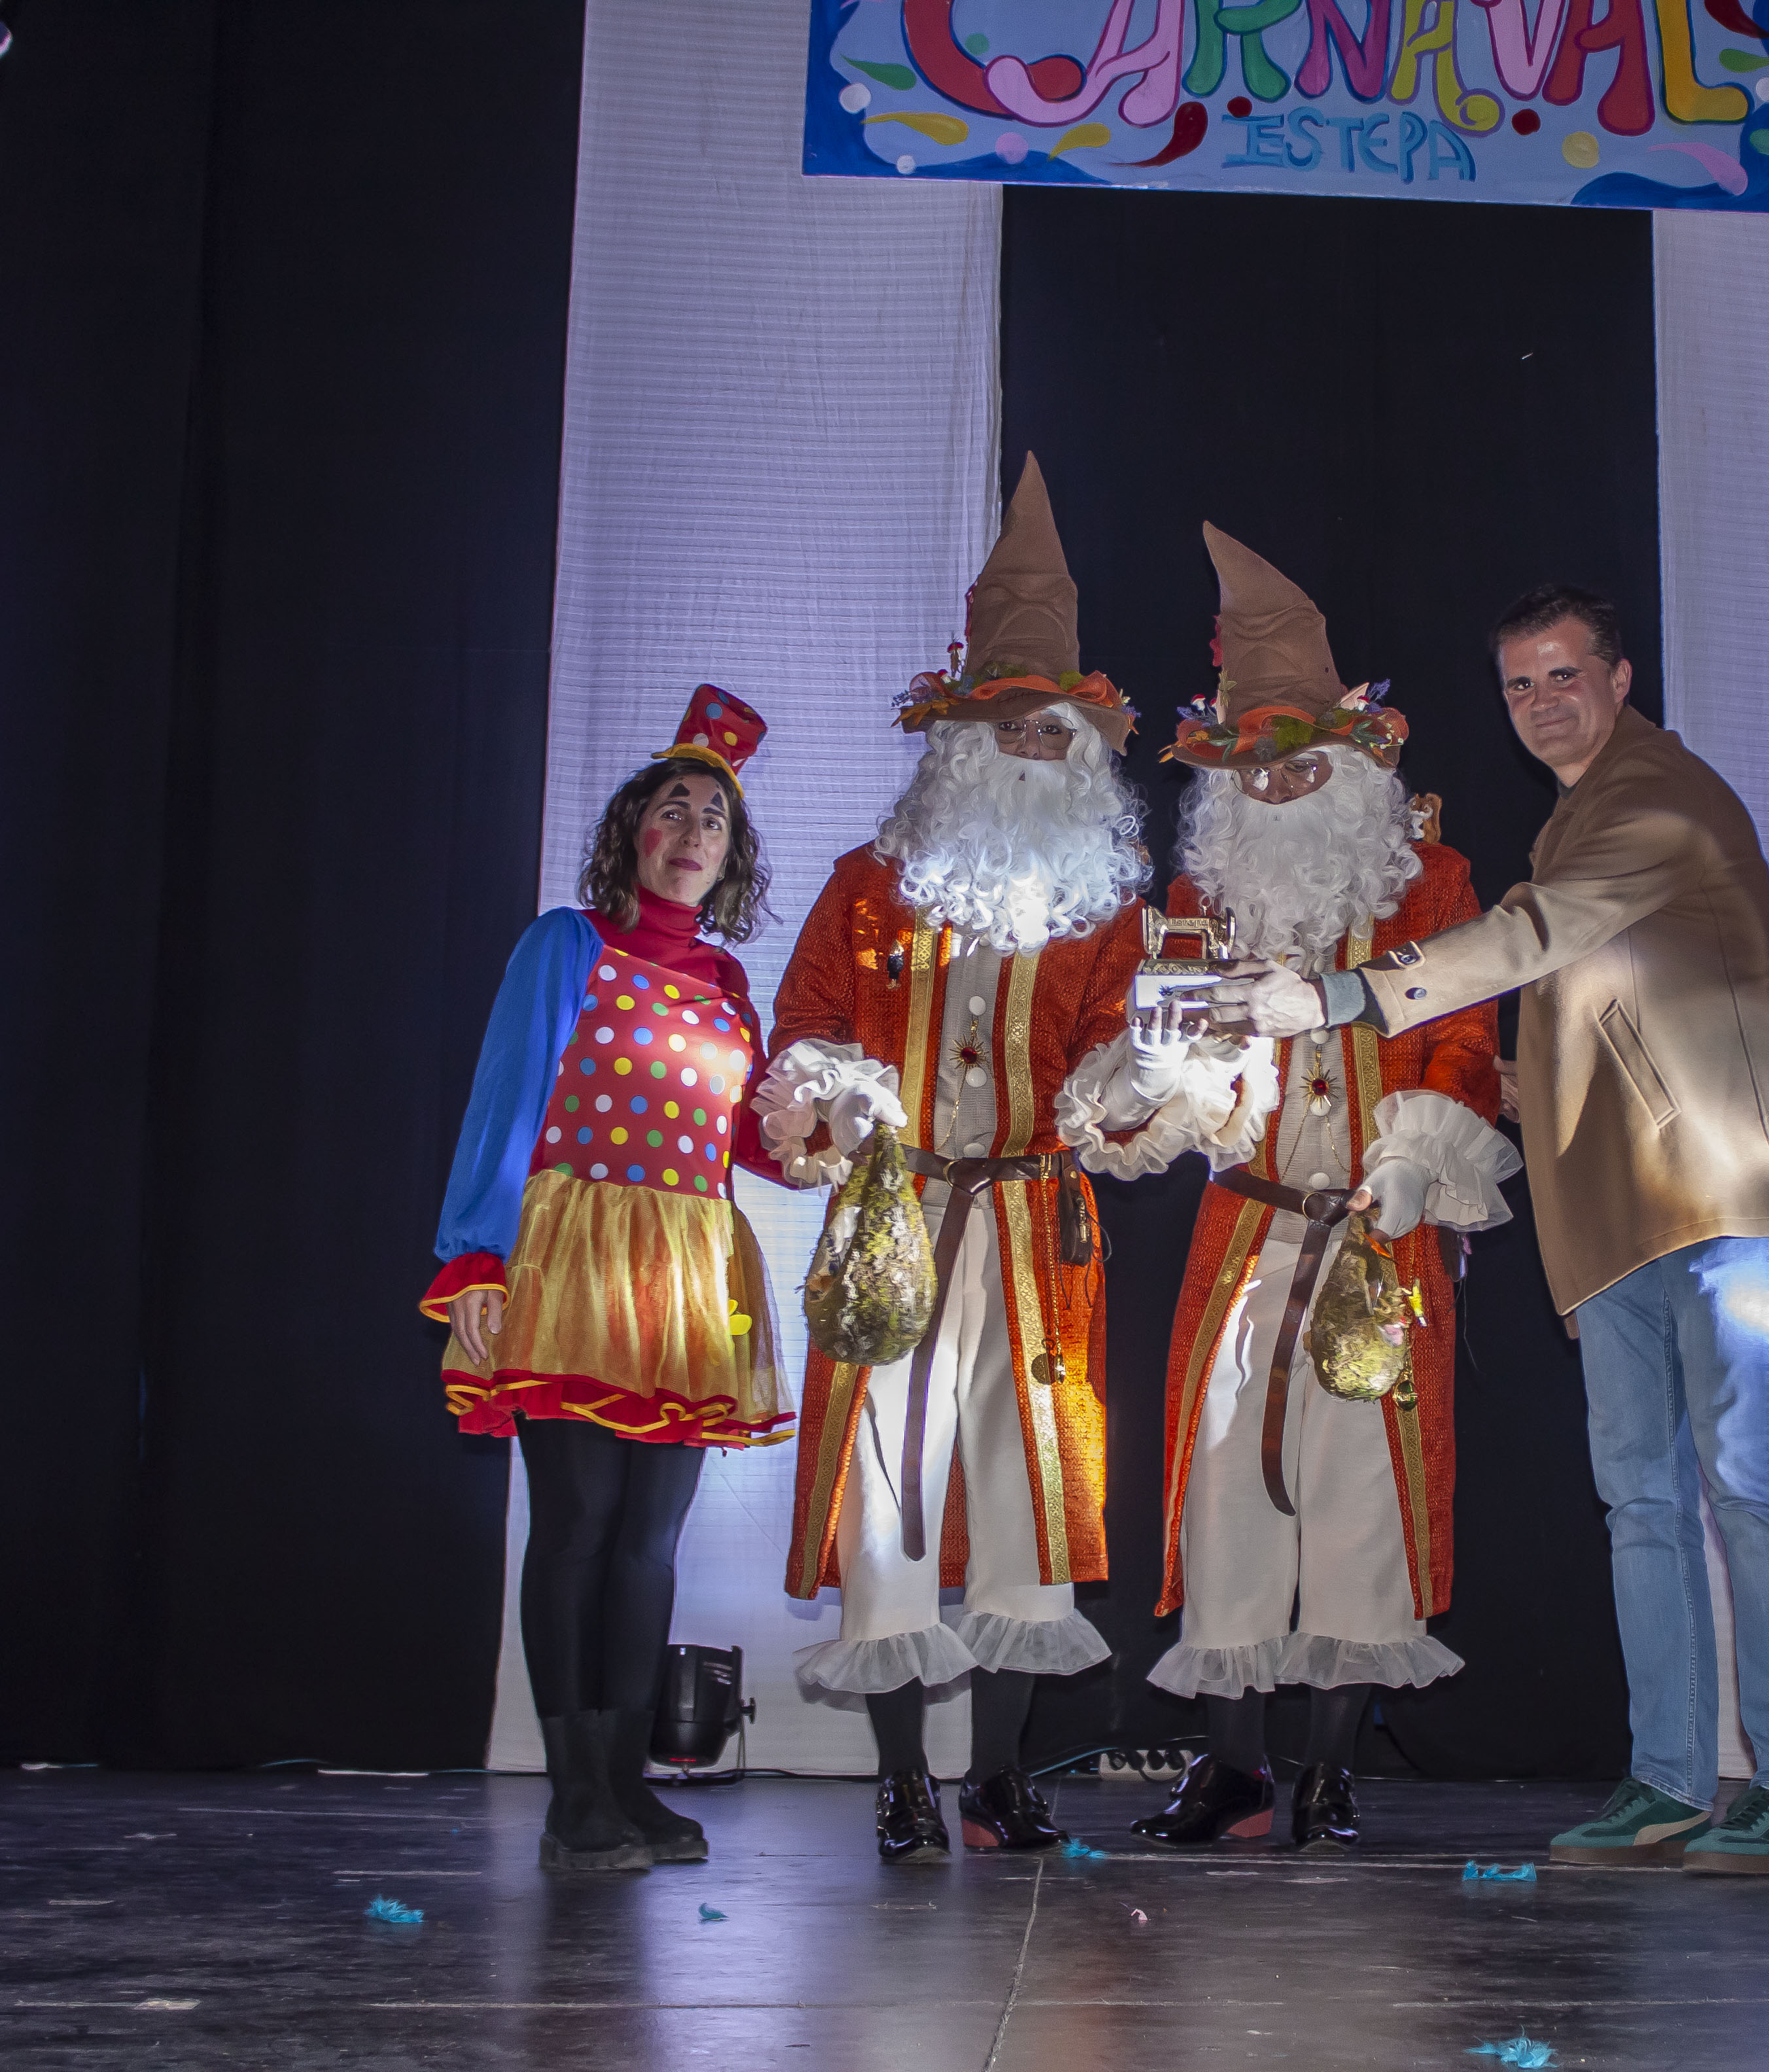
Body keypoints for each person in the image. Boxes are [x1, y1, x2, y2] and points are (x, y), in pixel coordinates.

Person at [1214, 583, 1769, 1876]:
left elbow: (1537, 937)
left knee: (1747, 1483)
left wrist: (1343, 994)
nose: (1543, 703)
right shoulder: (1581, 816)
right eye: (1519, 684)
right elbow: (1605, 1005)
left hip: (1722, 1192)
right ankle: (1668, 1780)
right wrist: (1507, 1086)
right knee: (1641, 1502)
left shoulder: (1660, 796)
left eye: (1565, 675)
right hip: (1613, 1205)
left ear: (1620, 678)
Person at [1063, 526, 1515, 1852]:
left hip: (1378, 1233)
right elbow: (1157, 1090)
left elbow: (1464, 1043)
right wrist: (1152, 1076)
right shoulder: (1196, 904)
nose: (1274, 785)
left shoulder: (1433, 885)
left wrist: (1414, 1163)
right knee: (1229, 1490)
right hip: (1247, 1237)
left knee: (1361, 1494)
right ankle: (1235, 1765)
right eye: (1252, 768)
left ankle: (1328, 1769)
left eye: (1300, 761)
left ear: (1355, 763)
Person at [754, 457, 1149, 1865]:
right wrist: (841, 1089)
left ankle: (999, 1776)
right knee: (888, 1488)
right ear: (959, 738)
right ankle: (899, 1782)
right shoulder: (869, 885)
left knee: (1028, 1491)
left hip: (1037, 1231)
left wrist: (1132, 1083)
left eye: (1050, 729)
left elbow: (1118, 1055)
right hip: (898, 1219)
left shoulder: (1108, 909)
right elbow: (804, 1026)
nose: (1029, 747)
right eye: (1006, 725)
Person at [424, 687, 793, 1873]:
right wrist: (478, 1257)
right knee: (579, 1524)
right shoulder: (566, 944)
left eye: (715, 823)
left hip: (688, 1272)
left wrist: (827, 1125)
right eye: (674, 810)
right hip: (575, 1256)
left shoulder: (727, 983)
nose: (693, 834)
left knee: (649, 1541)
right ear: (633, 829)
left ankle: (625, 1782)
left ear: (730, 859)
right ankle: (572, 1793)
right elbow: (507, 1101)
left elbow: (745, 1138)